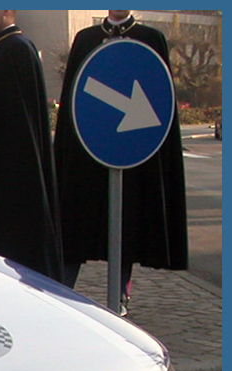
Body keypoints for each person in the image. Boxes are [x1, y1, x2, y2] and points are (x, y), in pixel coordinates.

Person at [53, 10, 187, 311]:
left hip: (131, 147)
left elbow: (158, 97)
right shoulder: (86, 39)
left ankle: (121, 294)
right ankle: (63, 290)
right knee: (77, 221)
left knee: (128, 222)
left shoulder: (151, 39)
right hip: (89, 145)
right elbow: (75, 98)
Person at [0, 10, 63, 281]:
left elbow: (11, 123)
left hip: (13, 172)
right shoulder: (6, 49)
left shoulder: (14, 51)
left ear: (6, 11)